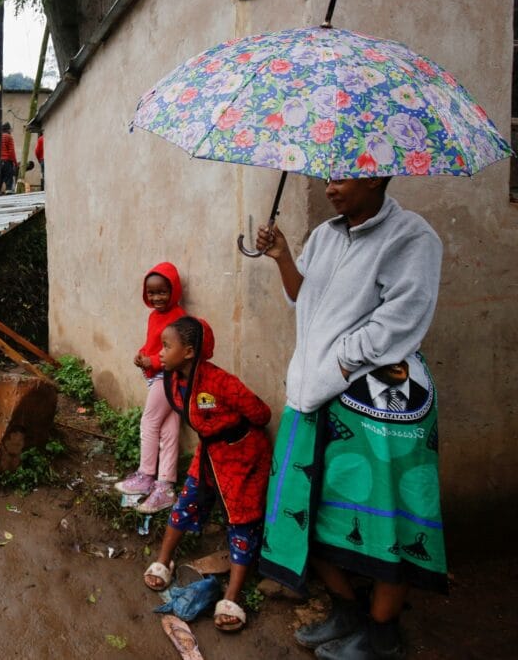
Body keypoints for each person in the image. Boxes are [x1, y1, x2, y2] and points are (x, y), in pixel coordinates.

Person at [255, 176, 445, 660]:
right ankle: (347, 610)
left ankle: (382, 633)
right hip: (315, 392)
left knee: (386, 518)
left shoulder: (411, 237)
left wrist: (342, 361)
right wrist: (283, 259)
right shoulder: (323, 235)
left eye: (343, 174)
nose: (330, 185)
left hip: (381, 404)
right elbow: (305, 302)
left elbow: (403, 317)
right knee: (310, 507)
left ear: (379, 174)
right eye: (328, 174)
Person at [142, 316, 272, 632]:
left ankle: (232, 597)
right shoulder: (172, 380)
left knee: (241, 520)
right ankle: (164, 560)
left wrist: (228, 432)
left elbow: (261, 413)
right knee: (186, 501)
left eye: (166, 346)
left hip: (241, 454)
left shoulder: (221, 382)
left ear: (188, 352)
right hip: (209, 453)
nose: (160, 352)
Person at [113, 262, 186, 513]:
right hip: (158, 375)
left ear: (174, 290)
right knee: (168, 429)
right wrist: (142, 355)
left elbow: (174, 354)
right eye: (151, 293)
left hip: (169, 377)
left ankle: (145, 476)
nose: (156, 297)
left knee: (149, 422)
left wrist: (152, 361)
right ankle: (165, 487)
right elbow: (154, 344)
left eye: (162, 292)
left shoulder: (179, 319)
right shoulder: (155, 316)